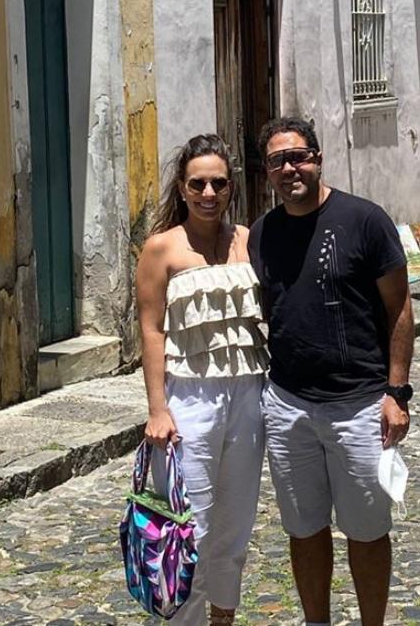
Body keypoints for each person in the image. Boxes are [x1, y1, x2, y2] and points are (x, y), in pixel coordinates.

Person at [248, 116, 415, 626]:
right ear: (267, 173)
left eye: (298, 156)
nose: (289, 168)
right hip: (288, 404)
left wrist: (397, 392)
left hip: (360, 405)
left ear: (318, 158)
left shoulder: (365, 220)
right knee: (303, 528)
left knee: (366, 530)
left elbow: (400, 308)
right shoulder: (261, 234)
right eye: (277, 161)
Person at [136, 134, 268, 626]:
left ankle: (223, 619)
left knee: (235, 523)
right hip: (188, 395)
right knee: (189, 524)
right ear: (182, 186)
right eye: (198, 184)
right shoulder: (161, 250)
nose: (208, 193)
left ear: (231, 186)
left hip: (248, 391)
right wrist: (157, 407)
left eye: (218, 183)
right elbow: (150, 328)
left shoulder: (249, 241)